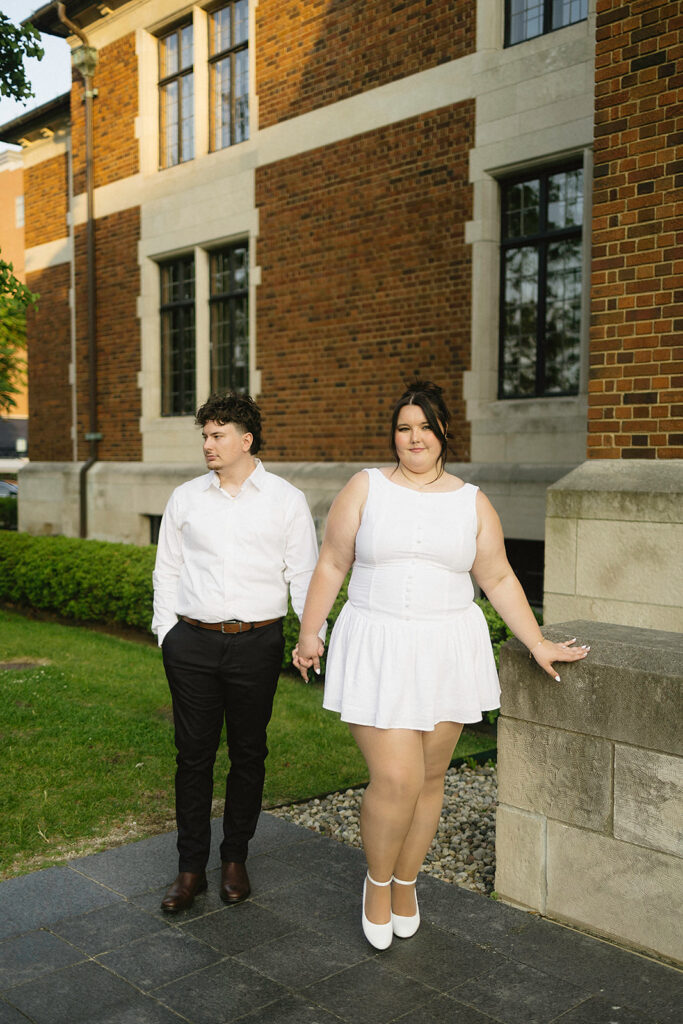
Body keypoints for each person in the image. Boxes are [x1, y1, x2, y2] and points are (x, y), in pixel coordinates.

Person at [293, 380, 589, 949]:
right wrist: (312, 630)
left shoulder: (471, 500)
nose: (414, 437)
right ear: (394, 437)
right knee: (396, 777)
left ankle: (407, 884)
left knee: (429, 780)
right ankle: (377, 885)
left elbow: (498, 577)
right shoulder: (366, 488)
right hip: (379, 643)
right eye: (404, 428)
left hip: (448, 647)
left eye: (425, 426)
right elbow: (332, 562)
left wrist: (538, 642)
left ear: (445, 432)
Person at [153, 392, 322, 913]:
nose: (207, 443)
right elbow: (168, 569)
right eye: (204, 434)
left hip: (256, 643)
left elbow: (305, 575)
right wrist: (167, 635)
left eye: (217, 434)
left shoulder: (286, 500)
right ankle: (189, 870)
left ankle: (234, 860)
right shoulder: (186, 498)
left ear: (246, 441)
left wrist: (308, 635)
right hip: (192, 644)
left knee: (248, 754)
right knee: (193, 757)